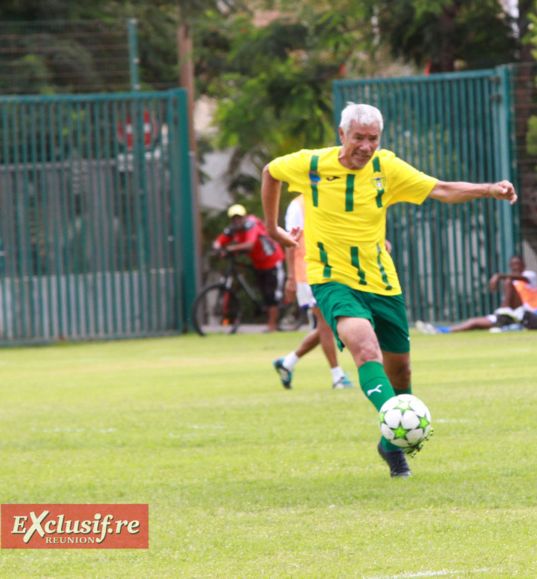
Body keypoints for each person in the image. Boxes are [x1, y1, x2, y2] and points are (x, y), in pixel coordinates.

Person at [261, 102, 517, 478]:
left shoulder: (386, 168)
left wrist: (489, 189)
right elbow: (271, 172)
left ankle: (389, 444)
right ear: (341, 134)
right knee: (367, 350)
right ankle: (397, 422)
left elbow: (441, 189)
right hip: (331, 278)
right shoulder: (312, 164)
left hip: (382, 280)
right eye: (359, 138)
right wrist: (272, 228)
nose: (366, 146)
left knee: (401, 371)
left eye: (373, 138)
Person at [273, 195, 354, 390]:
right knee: (326, 323)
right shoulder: (298, 205)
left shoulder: (331, 195)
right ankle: (337, 376)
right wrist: (291, 277)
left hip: (329, 271)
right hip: (307, 273)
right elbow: (290, 241)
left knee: (328, 324)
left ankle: (287, 363)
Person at [415, 254, 537, 334]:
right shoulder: (510, 284)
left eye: (519, 264)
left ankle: (505, 319)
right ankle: (441, 331)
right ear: (510, 266)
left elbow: (516, 279)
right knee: (473, 322)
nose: (517, 267)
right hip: (512, 315)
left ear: (524, 265)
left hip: (527, 313)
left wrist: (498, 276)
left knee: (507, 281)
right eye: (514, 264)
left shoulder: (529, 275)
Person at [213, 204, 285, 333]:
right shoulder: (233, 230)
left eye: (239, 217)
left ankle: (272, 326)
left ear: (244, 217)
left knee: (271, 295)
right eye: (234, 218)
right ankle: (269, 320)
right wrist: (218, 249)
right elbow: (218, 242)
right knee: (264, 294)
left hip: (272, 262)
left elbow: (249, 245)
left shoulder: (251, 225)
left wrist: (229, 249)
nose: (237, 221)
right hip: (258, 264)